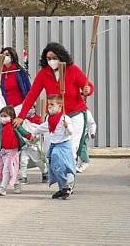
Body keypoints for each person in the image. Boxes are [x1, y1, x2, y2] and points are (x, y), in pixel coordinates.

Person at [14, 43, 94, 176]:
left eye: (54, 57)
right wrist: (21, 116)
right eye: (48, 58)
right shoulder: (44, 73)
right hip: (53, 117)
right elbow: (32, 95)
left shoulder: (73, 69)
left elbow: (88, 87)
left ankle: (68, 182)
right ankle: (59, 176)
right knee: (48, 150)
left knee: (70, 149)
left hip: (74, 115)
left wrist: (87, 90)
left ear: (61, 57)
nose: (51, 61)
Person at [32, 94, 75, 200]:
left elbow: (70, 132)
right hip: (54, 145)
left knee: (59, 165)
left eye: (52, 104)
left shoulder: (65, 119)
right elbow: (43, 127)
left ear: (59, 106)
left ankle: (66, 186)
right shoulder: (50, 119)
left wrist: (67, 127)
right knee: (54, 167)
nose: (49, 107)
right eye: (48, 104)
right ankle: (63, 188)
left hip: (63, 146)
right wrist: (34, 133)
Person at [0, 105, 34, 196]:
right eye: (1, 116)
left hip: (13, 152)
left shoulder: (15, 125)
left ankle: (3, 188)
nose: (3, 118)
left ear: (11, 116)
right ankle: (16, 183)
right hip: (3, 152)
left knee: (6, 169)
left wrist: (30, 136)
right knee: (10, 170)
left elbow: (23, 132)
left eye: (5, 116)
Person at [18, 108, 48, 184]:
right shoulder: (22, 120)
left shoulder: (38, 120)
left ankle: (45, 172)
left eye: (31, 108)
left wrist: (35, 138)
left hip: (33, 145)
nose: (29, 110)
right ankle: (23, 177)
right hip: (25, 145)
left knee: (38, 161)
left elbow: (40, 132)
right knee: (23, 161)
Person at [0, 47, 31, 112]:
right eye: (3, 55)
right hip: (6, 109)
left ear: (12, 57)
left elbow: (28, 88)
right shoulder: (0, 74)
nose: (5, 57)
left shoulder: (19, 72)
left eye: (7, 55)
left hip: (19, 107)